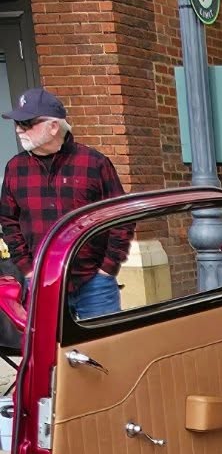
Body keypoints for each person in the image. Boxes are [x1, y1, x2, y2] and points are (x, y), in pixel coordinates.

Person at [0, 87, 130, 319]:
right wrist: (28, 270)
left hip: (94, 283)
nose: (19, 129)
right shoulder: (15, 168)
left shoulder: (94, 163)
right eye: (17, 123)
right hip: (42, 284)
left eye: (27, 122)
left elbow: (120, 217)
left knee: (103, 351)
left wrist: (107, 268)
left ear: (53, 126)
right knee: (49, 354)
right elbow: (9, 220)